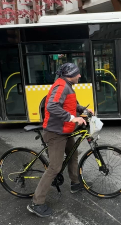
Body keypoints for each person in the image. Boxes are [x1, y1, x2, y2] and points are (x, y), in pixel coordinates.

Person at [27, 63, 93, 218]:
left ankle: (75, 184)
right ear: (70, 74)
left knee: (73, 154)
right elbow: (52, 106)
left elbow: (70, 105)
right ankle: (36, 203)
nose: (80, 76)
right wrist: (73, 118)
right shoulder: (62, 86)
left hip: (64, 130)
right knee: (54, 168)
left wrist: (83, 110)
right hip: (55, 132)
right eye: (77, 73)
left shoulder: (68, 85)